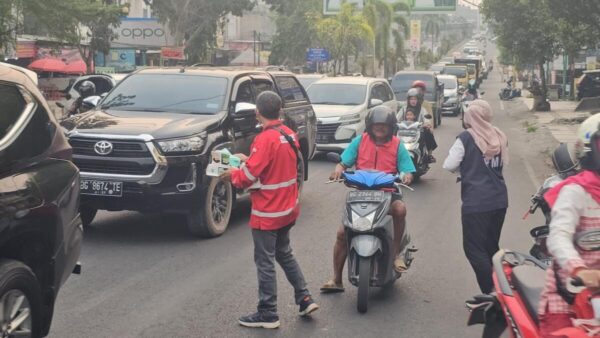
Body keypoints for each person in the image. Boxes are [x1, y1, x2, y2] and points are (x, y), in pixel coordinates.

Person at [220, 91, 319, 329]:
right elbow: (272, 167)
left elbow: (246, 178)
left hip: (268, 212)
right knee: (284, 253)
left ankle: (268, 313)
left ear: (258, 112)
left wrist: (231, 173)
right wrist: (247, 159)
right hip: (288, 209)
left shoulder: (265, 139)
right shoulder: (289, 135)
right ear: (280, 111)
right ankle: (304, 298)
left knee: (265, 261)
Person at [320, 106, 416, 293]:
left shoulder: (397, 145)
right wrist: (338, 170)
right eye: (376, 125)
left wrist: (406, 176)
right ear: (370, 126)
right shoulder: (359, 141)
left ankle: (396, 254)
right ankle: (336, 279)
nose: (379, 129)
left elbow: (407, 169)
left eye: (384, 126)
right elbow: (343, 161)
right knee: (342, 233)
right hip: (360, 192)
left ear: (390, 127)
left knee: (400, 210)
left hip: (388, 191)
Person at [537, 114, 600, 337]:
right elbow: (558, 236)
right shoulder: (575, 191)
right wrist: (580, 270)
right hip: (567, 295)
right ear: (589, 150)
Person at [442, 99, 509, 294]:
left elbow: (449, 165)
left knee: (474, 249)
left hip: (476, 203)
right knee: (490, 247)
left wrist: (464, 170)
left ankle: (493, 293)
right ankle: (504, 286)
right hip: (499, 200)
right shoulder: (499, 135)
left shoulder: (466, 138)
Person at [398, 88, 438, 162]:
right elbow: (397, 119)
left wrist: (427, 124)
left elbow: (427, 119)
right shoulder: (403, 109)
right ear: (408, 100)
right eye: (411, 99)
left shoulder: (422, 109)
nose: (413, 101)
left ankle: (429, 154)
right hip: (404, 132)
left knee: (428, 132)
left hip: (419, 131)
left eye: (415, 99)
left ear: (418, 100)